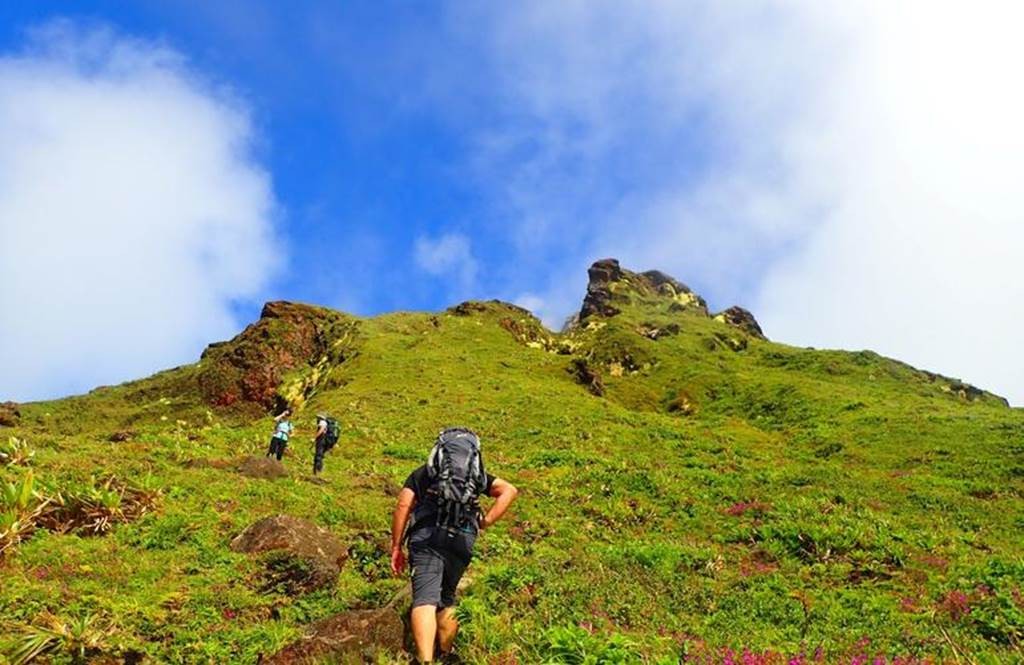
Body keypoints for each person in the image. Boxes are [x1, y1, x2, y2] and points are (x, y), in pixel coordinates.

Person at [390, 428, 518, 664]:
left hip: (428, 538)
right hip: (462, 540)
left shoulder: (424, 474)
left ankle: (425, 660)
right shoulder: (476, 478)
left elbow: (403, 506)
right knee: (447, 598)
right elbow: (510, 490)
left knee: (425, 599)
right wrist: (486, 521)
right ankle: (446, 654)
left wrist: (396, 546)